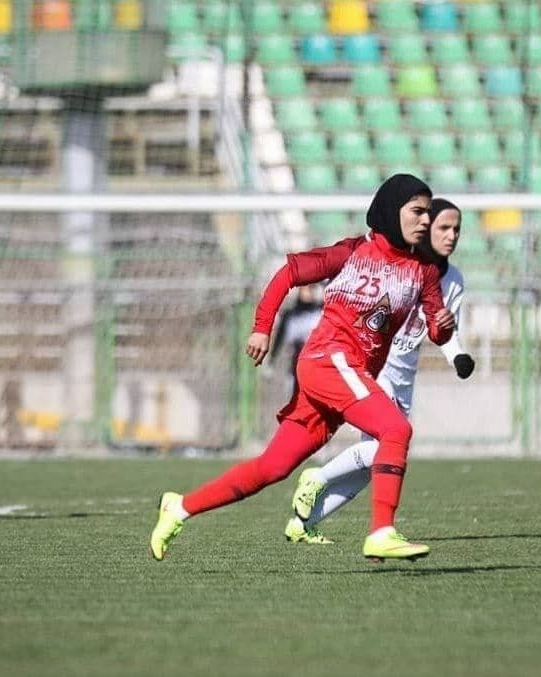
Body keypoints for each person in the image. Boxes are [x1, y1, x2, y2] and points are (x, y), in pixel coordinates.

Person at [149, 174, 455, 561]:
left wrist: (443, 327)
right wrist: (262, 329)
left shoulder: (423, 270)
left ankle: (179, 507)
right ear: (392, 211)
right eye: (417, 211)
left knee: (272, 467)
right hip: (327, 360)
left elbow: (435, 328)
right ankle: (381, 532)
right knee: (395, 427)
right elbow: (288, 274)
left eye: (429, 212)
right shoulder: (351, 253)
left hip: (343, 375)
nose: (426, 220)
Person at [283, 198, 475, 545]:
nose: (451, 236)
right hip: (376, 368)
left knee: (371, 467)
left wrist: (457, 355)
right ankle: (319, 479)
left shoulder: (454, 280)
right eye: (443, 227)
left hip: (405, 376)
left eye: (456, 229)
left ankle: (303, 521)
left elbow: (443, 329)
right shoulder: (401, 264)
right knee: (388, 443)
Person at [268, 283, 322, 394]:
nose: (308, 291)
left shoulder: (320, 311)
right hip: (296, 368)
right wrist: (272, 360)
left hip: (318, 367)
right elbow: (280, 338)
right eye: (305, 288)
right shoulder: (290, 315)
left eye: (311, 288)